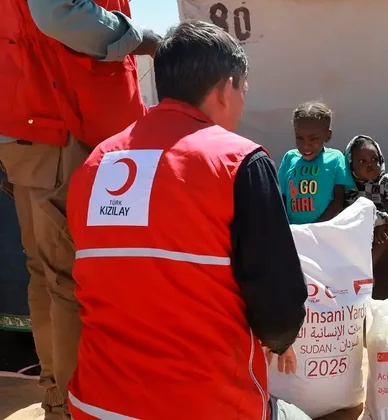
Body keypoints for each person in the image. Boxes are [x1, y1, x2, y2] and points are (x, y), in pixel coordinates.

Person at [64, 21, 311, 419]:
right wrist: (281, 340)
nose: (242, 104)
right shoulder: (238, 161)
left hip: (95, 405)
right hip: (207, 407)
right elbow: (280, 308)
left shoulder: (96, 164)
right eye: (243, 91)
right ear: (226, 86)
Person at [0, 1, 159, 417]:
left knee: (48, 274)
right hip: (64, 126)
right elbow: (57, 14)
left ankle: (61, 399)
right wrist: (139, 37)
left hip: (37, 128)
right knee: (71, 278)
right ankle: (78, 406)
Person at [278, 101, 356, 224]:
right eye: (299, 138)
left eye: (313, 138)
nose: (305, 146)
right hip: (293, 232)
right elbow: (282, 197)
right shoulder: (289, 158)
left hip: (323, 233)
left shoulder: (336, 158)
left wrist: (317, 228)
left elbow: (338, 200)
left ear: (327, 135)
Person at [344, 135, 388, 264]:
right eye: (362, 161)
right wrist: (370, 225)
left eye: (374, 159)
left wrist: (379, 224)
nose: (370, 165)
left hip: (381, 224)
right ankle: (352, 267)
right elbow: (349, 210)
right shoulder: (349, 185)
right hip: (356, 225)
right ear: (351, 164)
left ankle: (368, 267)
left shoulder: (386, 182)